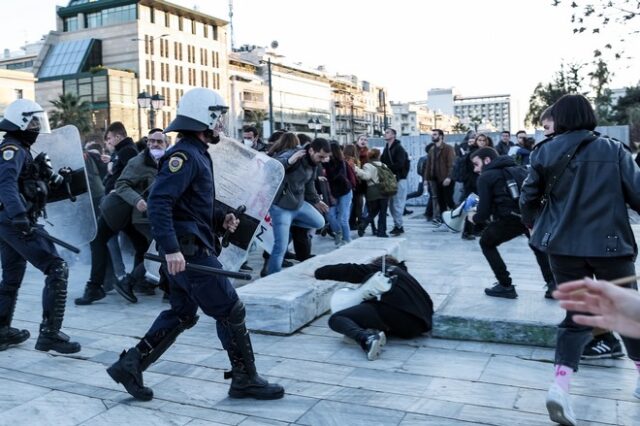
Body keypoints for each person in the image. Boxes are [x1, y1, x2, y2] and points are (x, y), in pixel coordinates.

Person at [106, 88, 284, 401]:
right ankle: (244, 378)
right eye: (217, 118)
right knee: (231, 309)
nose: (220, 125)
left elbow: (193, 204)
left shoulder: (196, 153)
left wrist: (221, 217)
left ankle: (131, 364)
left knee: (183, 312)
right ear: (204, 118)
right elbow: (160, 201)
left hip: (189, 248)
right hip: (188, 253)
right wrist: (172, 248)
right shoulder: (184, 155)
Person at [520, 94, 640, 426]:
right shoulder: (614, 149)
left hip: (562, 247)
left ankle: (560, 386)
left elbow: (528, 198)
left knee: (577, 314)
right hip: (611, 246)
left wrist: (534, 224)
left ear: (561, 118)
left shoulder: (544, 151)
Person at [0, 99, 84, 354]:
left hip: (10, 221)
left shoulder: (22, 149)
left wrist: (62, 179)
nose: (37, 127)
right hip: (15, 221)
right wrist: (19, 217)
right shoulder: (12, 149)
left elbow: (31, 187)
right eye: (33, 122)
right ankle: (50, 334)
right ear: (21, 121)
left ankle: (1, 330)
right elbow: (6, 185)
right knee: (56, 267)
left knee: (12, 277)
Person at [468, 147, 555, 299]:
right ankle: (553, 286)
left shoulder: (486, 177)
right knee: (537, 247)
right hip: (530, 217)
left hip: (509, 219)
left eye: (476, 164)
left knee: (486, 243)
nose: (475, 169)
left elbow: (483, 213)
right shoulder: (517, 169)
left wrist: (473, 217)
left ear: (487, 160)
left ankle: (505, 285)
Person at [315, 256, 433, 360]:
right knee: (371, 309)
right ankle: (374, 331)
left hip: (398, 315)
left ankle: (366, 338)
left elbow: (350, 269)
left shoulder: (382, 267)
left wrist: (318, 272)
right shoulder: (407, 277)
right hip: (420, 327)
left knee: (337, 318)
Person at [266, 136, 329, 275]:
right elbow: (271, 167)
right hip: (281, 206)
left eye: (325, 158)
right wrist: (289, 161)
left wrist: (317, 200)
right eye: (321, 156)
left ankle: (291, 225)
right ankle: (271, 277)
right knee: (280, 247)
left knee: (319, 221)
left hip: (298, 204)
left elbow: (310, 184)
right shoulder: (293, 154)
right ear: (312, 150)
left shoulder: (313, 164)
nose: (322, 160)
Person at [323, 142, 354, 246]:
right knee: (330, 215)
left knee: (343, 218)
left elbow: (334, 177)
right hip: (331, 193)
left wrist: (326, 164)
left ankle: (347, 240)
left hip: (344, 192)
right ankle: (338, 233)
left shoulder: (341, 163)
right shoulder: (323, 161)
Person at [381, 128, 410, 235]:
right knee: (392, 205)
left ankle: (399, 226)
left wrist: (387, 168)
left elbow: (401, 164)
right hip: (391, 179)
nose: (385, 134)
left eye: (387, 132)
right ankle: (397, 225)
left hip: (399, 179)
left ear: (393, 135)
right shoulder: (387, 148)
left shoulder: (398, 148)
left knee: (397, 204)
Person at [355, 148, 389, 238]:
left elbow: (366, 176)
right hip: (384, 190)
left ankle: (364, 225)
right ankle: (382, 232)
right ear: (379, 155)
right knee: (383, 212)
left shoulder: (367, 165)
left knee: (373, 211)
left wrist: (357, 170)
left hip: (373, 191)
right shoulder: (383, 165)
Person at [424, 129, 456, 225]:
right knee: (440, 201)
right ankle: (444, 219)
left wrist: (449, 177)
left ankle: (457, 217)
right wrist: (426, 179)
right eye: (432, 134)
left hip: (446, 179)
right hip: (436, 179)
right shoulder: (432, 149)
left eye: (435, 134)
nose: (432, 136)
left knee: (449, 200)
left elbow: (452, 164)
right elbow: (428, 165)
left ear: (441, 136)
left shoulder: (448, 148)